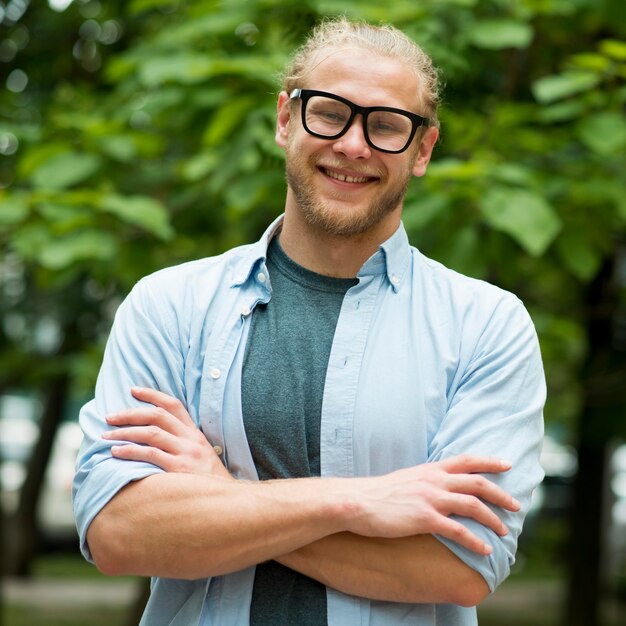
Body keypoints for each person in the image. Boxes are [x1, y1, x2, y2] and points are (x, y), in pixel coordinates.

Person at [72, 17, 545, 626]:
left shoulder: (487, 326)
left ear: (423, 149)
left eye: (386, 126)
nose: (353, 145)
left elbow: (460, 567)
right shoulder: (168, 305)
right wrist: (361, 502)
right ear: (285, 119)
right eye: (329, 113)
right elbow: (119, 531)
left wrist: (224, 499)